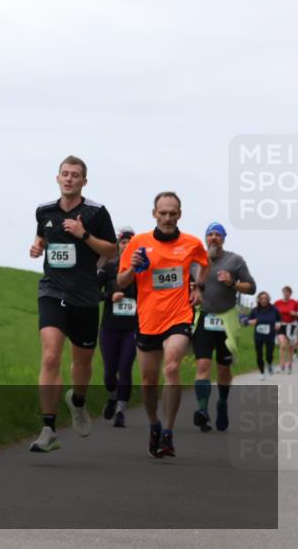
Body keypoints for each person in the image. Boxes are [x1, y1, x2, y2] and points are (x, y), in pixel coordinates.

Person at [29, 156, 117, 452]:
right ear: (57, 178)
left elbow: (112, 250)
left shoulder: (96, 212)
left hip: (86, 296)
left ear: (84, 181)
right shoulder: (44, 211)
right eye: (65, 174)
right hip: (52, 292)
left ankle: (77, 401)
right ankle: (48, 428)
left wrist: (84, 235)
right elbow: (42, 236)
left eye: (75, 175)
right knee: (51, 356)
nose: (69, 179)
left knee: (82, 362)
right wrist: (36, 245)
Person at [117, 191, 209, 458]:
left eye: (172, 213)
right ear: (154, 213)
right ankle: (154, 424)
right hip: (148, 320)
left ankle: (168, 433)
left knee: (171, 366)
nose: (168, 218)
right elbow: (121, 282)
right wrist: (133, 268)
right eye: (163, 213)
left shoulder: (191, 243)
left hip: (179, 316)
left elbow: (205, 263)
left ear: (179, 214)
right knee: (148, 381)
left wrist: (199, 287)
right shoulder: (138, 242)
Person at [191, 222, 256, 432]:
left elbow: (251, 287)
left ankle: (222, 403)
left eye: (217, 234)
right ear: (205, 238)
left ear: (224, 238)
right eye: (210, 234)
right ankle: (202, 411)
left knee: (223, 369)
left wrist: (232, 283)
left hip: (227, 320)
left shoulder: (234, 260)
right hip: (203, 317)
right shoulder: (195, 262)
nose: (213, 238)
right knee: (202, 366)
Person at [97, 226, 138, 428]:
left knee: (125, 369)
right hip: (109, 327)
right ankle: (112, 397)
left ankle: (121, 411)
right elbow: (92, 293)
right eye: (123, 242)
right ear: (118, 245)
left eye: (131, 242)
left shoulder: (141, 269)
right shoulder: (109, 267)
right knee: (109, 373)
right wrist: (109, 296)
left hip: (132, 328)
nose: (127, 245)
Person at [248, 292, 282, 380]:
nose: (263, 300)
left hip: (270, 335)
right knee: (259, 355)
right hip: (258, 336)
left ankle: (270, 364)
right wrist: (251, 322)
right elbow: (248, 320)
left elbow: (279, 319)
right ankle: (262, 372)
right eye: (262, 298)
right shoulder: (255, 310)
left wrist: (278, 324)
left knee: (269, 354)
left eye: (265, 298)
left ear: (268, 299)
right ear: (259, 299)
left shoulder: (274, 309)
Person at [273, 286, 298, 374]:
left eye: (288, 292)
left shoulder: (295, 303)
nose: (286, 293)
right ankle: (282, 366)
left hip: (292, 326)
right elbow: (273, 313)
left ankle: (290, 365)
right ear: (282, 292)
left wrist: (295, 313)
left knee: (291, 347)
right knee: (283, 345)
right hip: (281, 326)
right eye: (284, 292)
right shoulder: (277, 303)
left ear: (290, 293)